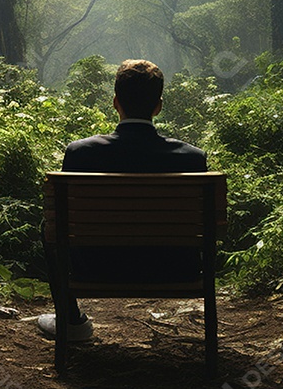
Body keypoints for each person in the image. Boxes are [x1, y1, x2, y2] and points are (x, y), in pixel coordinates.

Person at [37, 58, 207, 341]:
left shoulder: (79, 153)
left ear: (116, 102)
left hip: (94, 269)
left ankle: (70, 321)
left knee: (49, 225)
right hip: (176, 269)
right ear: (158, 106)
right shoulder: (192, 157)